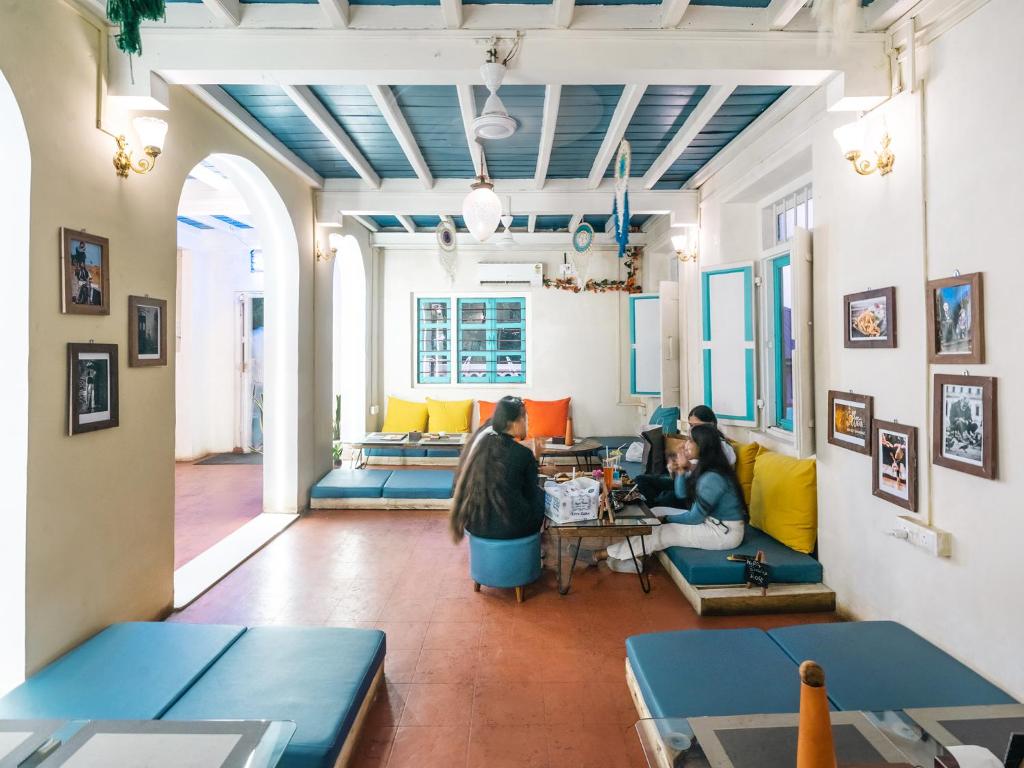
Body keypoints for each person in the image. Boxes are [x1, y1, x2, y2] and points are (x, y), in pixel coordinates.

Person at [594, 424, 746, 573]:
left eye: (690, 440)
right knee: (654, 512)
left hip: (722, 533)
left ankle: (602, 554)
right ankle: (634, 557)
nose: (685, 445)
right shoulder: (704, 467)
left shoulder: (712, 477)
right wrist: (680, 470)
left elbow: (694, 518)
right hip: (710, 521)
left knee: (664, 531)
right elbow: (681, 494)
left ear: (703, 445)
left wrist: (666, 519)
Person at [450, 396, 546, 542]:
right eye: (525, 419)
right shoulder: (523, 454)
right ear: (515, 422)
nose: (526, 423)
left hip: (475, 524)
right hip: (512, 529)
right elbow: (530, 492)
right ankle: (539, 547)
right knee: (542, 494)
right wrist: (535, 461)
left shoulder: (481, 444)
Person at [634, 405, 735, 509]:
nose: (692, 429)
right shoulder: (696, 443)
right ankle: (652, 508)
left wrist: (687, 466)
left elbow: (711, 475)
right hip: (686, 483)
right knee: (641, 480)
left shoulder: (722, 447)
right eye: (691, 425)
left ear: (711, 424)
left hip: (699, 491)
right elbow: (683, 475)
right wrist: (676, 468)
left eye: (697, 425)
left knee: (666, 497)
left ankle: (653, 510)